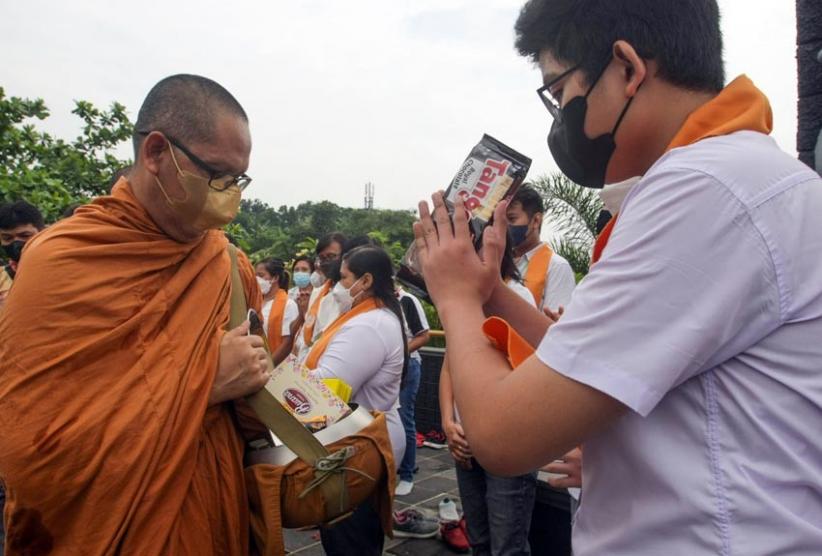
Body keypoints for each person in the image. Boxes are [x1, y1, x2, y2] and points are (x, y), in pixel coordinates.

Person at [412, 1, 822, 554]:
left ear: (627, 68)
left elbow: (504, 438)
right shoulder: (737, 178)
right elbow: (590, 355)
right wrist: (491, 296)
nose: (558, 120)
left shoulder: (704, 191)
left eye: (559, 94)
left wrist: (456, 299)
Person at [0, 74, 270, 554]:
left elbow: (253, 398)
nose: (231, 196)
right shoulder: (61, 261)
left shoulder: (228, 263)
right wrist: (204, 383)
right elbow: (31, 449)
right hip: (106, 529)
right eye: (217, 175)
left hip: (211, 510)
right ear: (156, 153)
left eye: (238, 179)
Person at [302, 245, 408, 556]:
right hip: (360, 440)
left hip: (358, 448)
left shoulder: (368, 326)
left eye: (343, 278)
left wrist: (279, 379)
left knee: (350, 539)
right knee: (353, 535)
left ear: (365, 281)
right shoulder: (370, 317)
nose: (337, 287)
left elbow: (326, 391)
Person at [439, 240, 537, 556]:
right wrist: (447, 421)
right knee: (478, 539)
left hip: (509, 439)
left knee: (508, 544)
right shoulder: (463, 303)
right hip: (465, 437)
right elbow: (448, 365)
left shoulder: (517, 299)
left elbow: (530, 370)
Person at [507, 185, 576, 555]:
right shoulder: (502, 263)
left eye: (514, 220)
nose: (508, 229)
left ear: (536, 220)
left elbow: (555, 327)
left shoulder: (555, 266)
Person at [394, 285, 431, 496]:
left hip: (408, 366)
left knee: (403, 418)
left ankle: (407, 474)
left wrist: (396, 353)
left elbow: (423, 336)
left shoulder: (406, 300)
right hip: (386, 368)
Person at [292, 232, 346, 363]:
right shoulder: (317, 293)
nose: (326, 262)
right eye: (322, 258)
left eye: (331, 256)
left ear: (345, 257)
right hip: (304, 366)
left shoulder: (348, 295)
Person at [0, 201, 45, 306]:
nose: (16, 243)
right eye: (7, 238)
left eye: (25, 235)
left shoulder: (60, 269)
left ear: (42, 232)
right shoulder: (1, 277)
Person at [256, 258, 300, 366]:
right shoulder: (256, 302)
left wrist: (269, 367)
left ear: (275, 278)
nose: (256, 279)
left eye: (261, 275)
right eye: (255, 276)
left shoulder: (288, 305)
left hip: (274, 368)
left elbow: (288, 343)